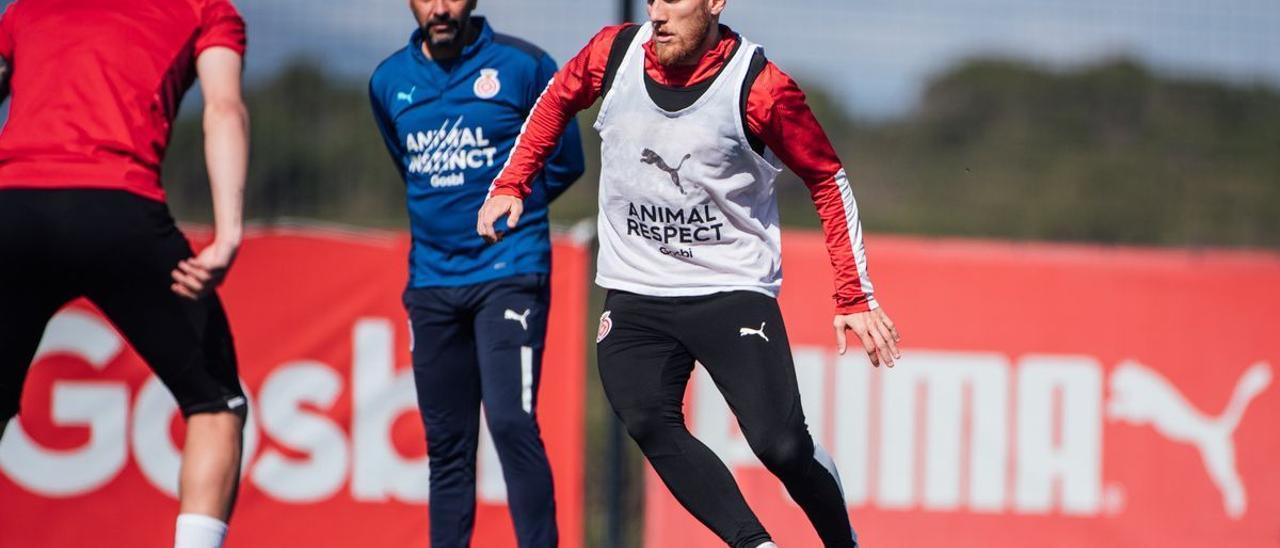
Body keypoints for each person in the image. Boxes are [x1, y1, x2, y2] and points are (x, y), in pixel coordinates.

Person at [478, 0, 902, 546]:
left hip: (729, 289)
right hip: (637, 290)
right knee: (647, 416)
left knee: (782, 448)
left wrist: (853, 295)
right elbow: (555, 102)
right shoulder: (613, 54)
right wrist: (512, 182)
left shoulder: (760, 87)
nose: (657, 13)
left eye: (674, 0)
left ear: (715, 3)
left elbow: (827, 179)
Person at [0, 1, 250, 547]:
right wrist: (228, 234)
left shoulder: (27, 11)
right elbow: (223, 110)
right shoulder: (205, 9)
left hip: (12, 209)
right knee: (216, 405)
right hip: (116, 208)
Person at [369, 1, 585, 546]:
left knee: (512, 424)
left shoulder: (524, 66)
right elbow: (408, 167)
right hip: (432, 280)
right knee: (447, 446)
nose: (440, 8)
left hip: (509, 271)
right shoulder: (388, 80)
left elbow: (566, 161)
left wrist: (511, 212)